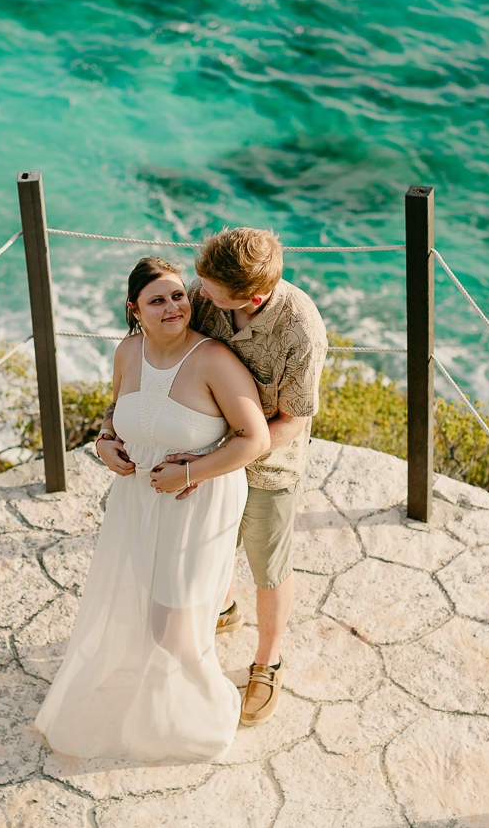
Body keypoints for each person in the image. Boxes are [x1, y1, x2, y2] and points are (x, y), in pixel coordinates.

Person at [34, 256, 270, 763]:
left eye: (179, 295)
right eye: (157, 300)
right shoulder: (127, 353)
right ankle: (169, 694)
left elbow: (256, 438)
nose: (173, 306)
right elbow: (117, 411)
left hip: (198, 501)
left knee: (171, 623)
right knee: (146, 605)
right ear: (134, 310)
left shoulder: (213, 361)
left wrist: (187, 473)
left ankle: (210, 705)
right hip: (138, 499)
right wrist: (102, 441)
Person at [165, 227, 327, 727]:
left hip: (268, 466)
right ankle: (225, 609)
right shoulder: (206, 290)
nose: (197, 294)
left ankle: (267, 661)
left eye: (208, 290)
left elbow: (295, 419)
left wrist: (226, 455)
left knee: (267, 565)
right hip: (206, 451)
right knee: (212, 543)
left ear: (252, 297)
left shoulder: (301, 330)